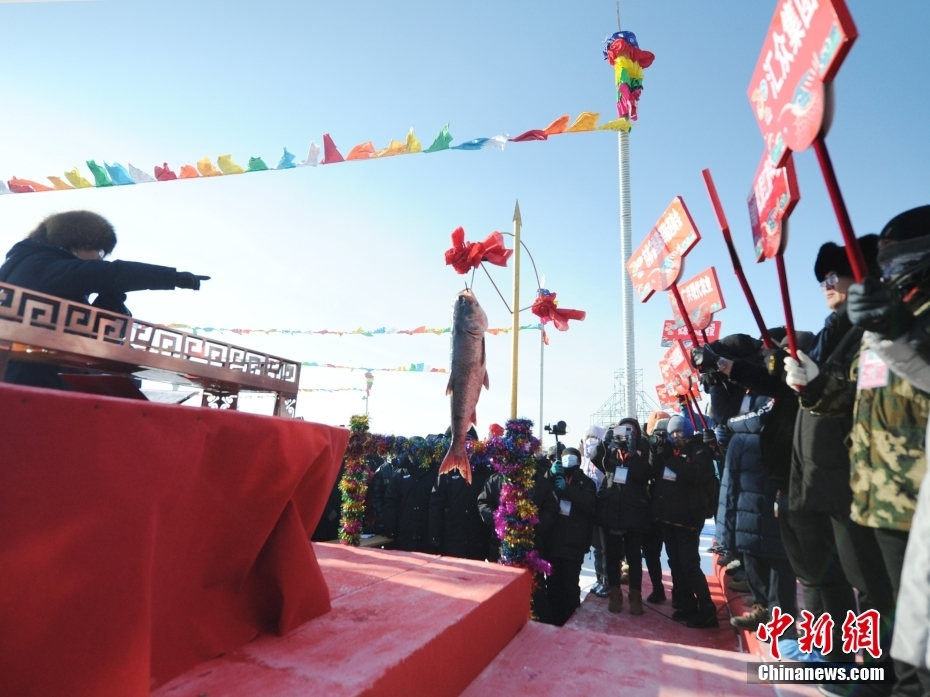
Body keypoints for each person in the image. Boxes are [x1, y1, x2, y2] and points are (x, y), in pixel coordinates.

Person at [0, 210, 209, 389]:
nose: (101, 259)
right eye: (99, 251)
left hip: (31, 367)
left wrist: (113, 296)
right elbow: (112, 273)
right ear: (78, 242)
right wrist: (172, 277)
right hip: (32, 374)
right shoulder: (43, 265)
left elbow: (96, 328)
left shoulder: (30, 267)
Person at [650, 415, 719, 629]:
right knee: (676, 564)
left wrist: (671, 459)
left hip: (688, 518)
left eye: (679, 433)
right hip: (668, 517)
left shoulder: (699, 450)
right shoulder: (669, 451)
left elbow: (695, 475)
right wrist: (658, 454)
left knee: (690, 565)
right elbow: (653, 473)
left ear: (688, 432)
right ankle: (687, 603)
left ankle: (707, 610)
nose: (675, 437)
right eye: (672, 434)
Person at [596, 418, 653, 615]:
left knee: (634, 556)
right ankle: (615, 594)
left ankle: (635, 596)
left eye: (630, 431)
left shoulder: (642, 448)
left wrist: (634, 451)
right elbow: (597, 460)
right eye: (623, 430)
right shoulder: (612, 449)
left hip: (634, 512)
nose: (626, 434)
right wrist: (606, 441)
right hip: (612, 509)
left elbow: (643, 474)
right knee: (612, 556)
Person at [545, 446, 596, 626]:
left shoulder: (586, 483)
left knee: (570, 585)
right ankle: (553, 620)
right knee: (553, 584)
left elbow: (589, 504)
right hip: (553, 542)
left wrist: (567, 489)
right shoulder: (554, 478)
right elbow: (540, 489)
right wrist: (550, 475)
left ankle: (571, 620)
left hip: (574, 543)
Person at [581, 425, 610, 598]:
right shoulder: (584, 460)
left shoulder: (603, 458)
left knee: (605, 549)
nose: (591, 440)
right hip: (589, 510)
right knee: (597, 549)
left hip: (603, 509)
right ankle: (599, 579)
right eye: (588, 436)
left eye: (594, 436)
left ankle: (607, 582)